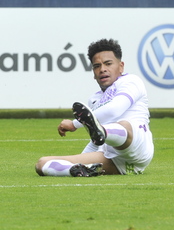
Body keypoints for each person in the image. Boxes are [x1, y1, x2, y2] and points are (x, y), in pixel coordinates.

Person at [35, 39, 154, 177]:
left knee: (124, 125)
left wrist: (74, 124)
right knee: (42, 164)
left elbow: (114, 110)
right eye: (97, 66)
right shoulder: (94, 100)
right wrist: (81, 161)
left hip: (137, 146)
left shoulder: (131, 81)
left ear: (121, 66)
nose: (102, 69)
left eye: (108, 64)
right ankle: (76, 171)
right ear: (93, 72)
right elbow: (95, 141)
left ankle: (104, 132)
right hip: (116, 160)